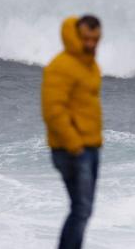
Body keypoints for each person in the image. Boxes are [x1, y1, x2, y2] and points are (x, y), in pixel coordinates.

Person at [42, 15, 104, 249]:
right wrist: (74, 144)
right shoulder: (61, 66)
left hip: (90, 147)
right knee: (81, 209)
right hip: (72, 150)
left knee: (83, 209)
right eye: (87, 38)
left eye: (95, 39)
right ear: (77, 35)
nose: (91, 44)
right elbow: (52, 111)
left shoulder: (89, 64)